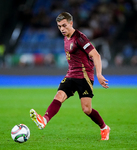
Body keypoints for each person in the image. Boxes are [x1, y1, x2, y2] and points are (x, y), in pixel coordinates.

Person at [30, 12, 110, 140]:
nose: (62, 29)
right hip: (71, 74)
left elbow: (96, 55)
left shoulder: (80, 38)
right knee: (59, 96)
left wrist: (99, 74)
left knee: (86, 109)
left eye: (64, 25)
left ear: (71, 23)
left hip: (84, 76)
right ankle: (44, 120)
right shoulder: (65, 37)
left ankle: (104, 127)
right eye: (59, 26)